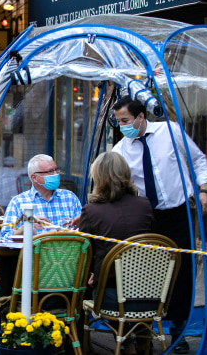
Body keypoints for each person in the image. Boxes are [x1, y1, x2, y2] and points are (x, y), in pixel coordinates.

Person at [111, 95, 207, 354]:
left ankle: (179, 328)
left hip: (179, 212)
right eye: (118, 122)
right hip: (146, 216)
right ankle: (143, 330)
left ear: (141, 116)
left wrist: (203, 191)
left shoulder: (170, 131)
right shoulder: (120, 149)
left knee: (182, 271)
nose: (122, 126)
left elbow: (198, 160)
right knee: (146, 273)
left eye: (126, 120)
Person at [79, 152, 155, 355]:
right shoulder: (145, 205)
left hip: (112, 297)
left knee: (81, 285)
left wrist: (95, 272)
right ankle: (138, 341)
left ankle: (84, 345)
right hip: (151, 292)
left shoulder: (91, 210)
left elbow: (83, 251)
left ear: (98, 177)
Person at [0, 154, 81, 239]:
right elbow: (4, 237)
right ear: (34, 178)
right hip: (34, 251)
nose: (56, 174)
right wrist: (27, 227)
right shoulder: (18, 202)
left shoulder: (70, 198)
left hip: (68, 251)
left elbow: (84, 232)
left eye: (56, 170)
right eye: (50, 171)